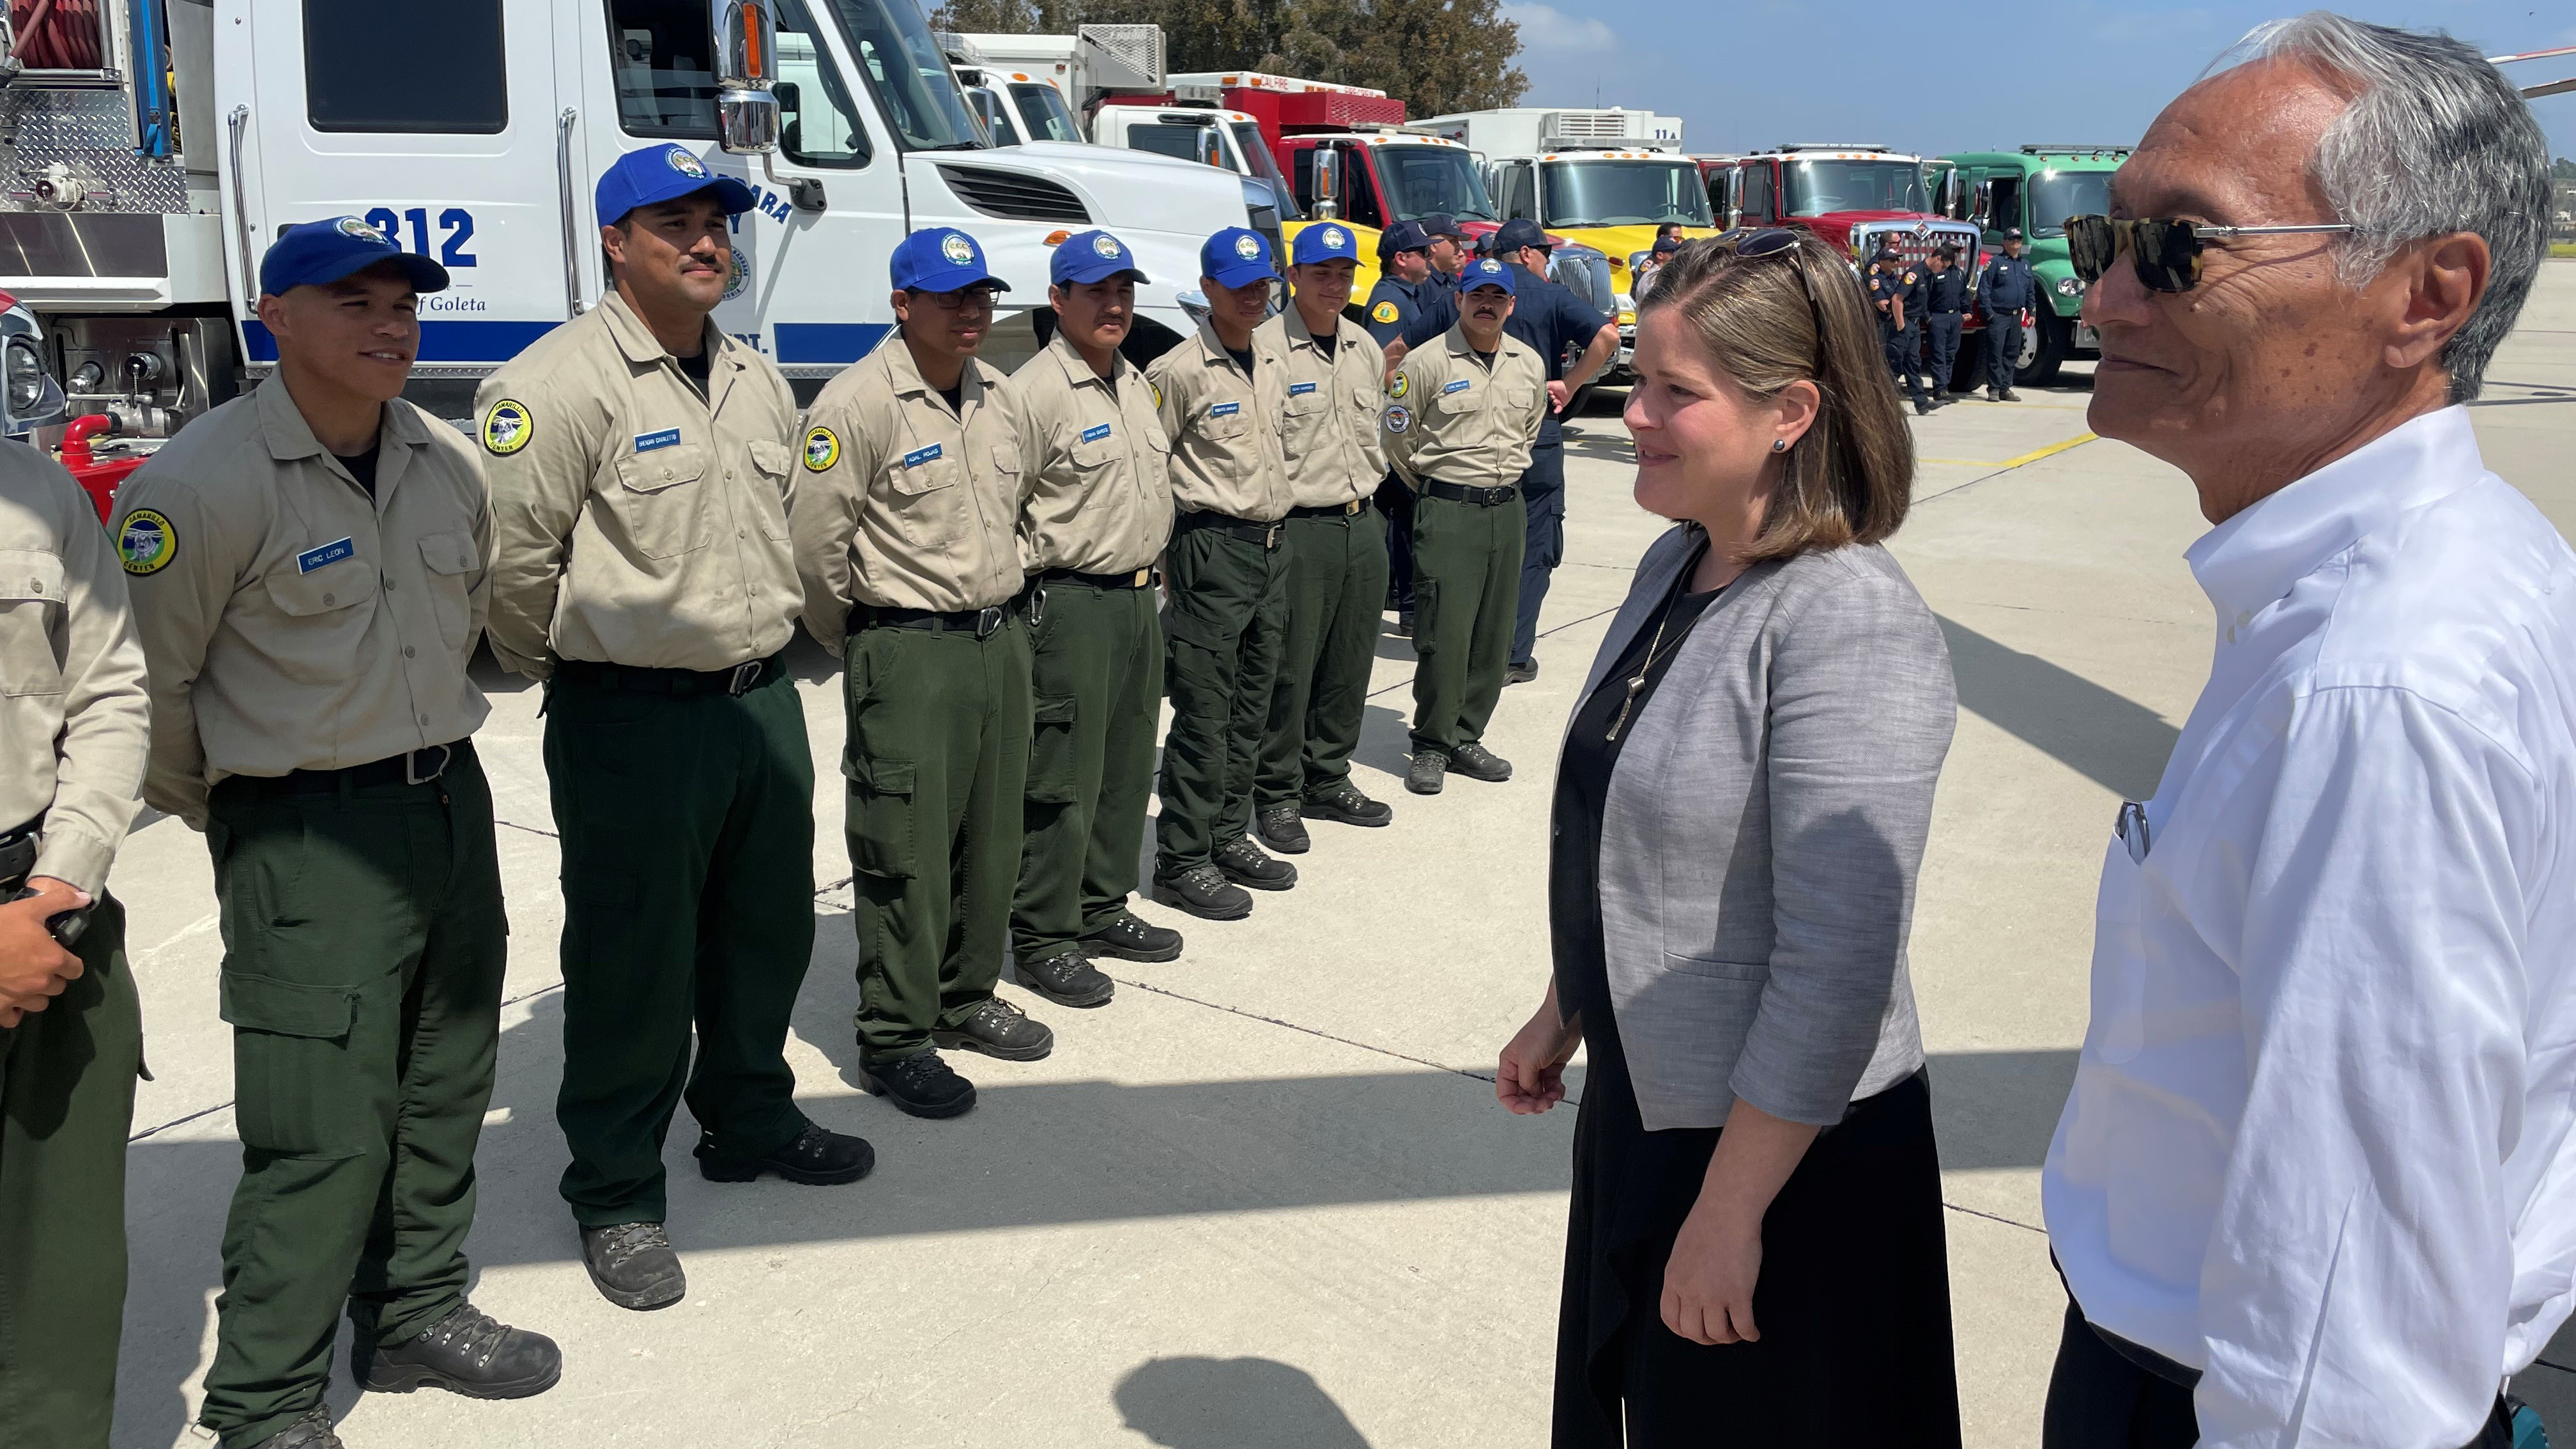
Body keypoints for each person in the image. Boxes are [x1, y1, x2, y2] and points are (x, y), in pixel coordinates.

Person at [2039, 19, 2563, 1449]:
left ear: (2425, 295)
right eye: (2107, 236)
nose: (2105, 301)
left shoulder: (2377, 689)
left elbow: (2353, 1340)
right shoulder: (2463, 568)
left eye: (2180, 249)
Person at [1495, 226, 1961, 1449]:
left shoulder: (1844, 619)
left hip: (1780, 1160)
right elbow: (1634, 839)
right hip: (1653, 1105)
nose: (1631, 411)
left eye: (1671, 391)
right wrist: (1569, 1005)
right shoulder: (1677, 560)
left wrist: (1727, 1210)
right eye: (1635, 378)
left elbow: (1835, 962)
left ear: (1791, 411)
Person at [119, 218, 558, 1449]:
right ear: (274, 315)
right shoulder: (200, 487)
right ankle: (265, 1398)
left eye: (403, 302)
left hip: (445, 800)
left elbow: (474, 611)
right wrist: (251, 816)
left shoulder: (448, 461)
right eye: (352, 300)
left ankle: (414, 1307)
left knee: (444, 1079)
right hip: (305, 829)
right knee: (317, 1124)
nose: (389, 324)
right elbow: (149, 690)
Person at [476, 145, 870, 1314]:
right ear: (615, 241)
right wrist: (592, 680)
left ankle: (745, 1115)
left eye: (718, 220)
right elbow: (511, 574)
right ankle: (614, 1189)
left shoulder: (755, 376)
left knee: (764, 932)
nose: (707, 241)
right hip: (632, 720)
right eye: (674, 222)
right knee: (632, 962)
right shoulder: (550, 387)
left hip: (758, 703)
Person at [791, 227, 1053, 1123]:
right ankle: (896, 1035)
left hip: (999, 638)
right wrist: (873, 646)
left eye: (981, 296)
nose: (972, 312)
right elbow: (815, 552)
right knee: (905, 848)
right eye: (950, 298)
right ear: (904, 305)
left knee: (991, 835)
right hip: (909, 650)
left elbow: (1016, 512)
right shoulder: (857, 404)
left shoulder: (999, 396)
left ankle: (965, 994)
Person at [0, 420, 148, 1448]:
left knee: (64, 1272)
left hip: (53, 919)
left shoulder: (38, 491)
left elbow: (108, 691)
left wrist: (57, 884)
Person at [1011, 231, 1181, 973]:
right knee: (1062, 780)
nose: (1115, 306)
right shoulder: (1032, 394)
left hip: (1139, 601)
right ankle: (1046, 932)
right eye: (1097, 292)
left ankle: (1102, 907)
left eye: (1124, 291)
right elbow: (1000, 511)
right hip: (1072, 604)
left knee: (1122, 768)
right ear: (1058, 300)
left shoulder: (1134, 381)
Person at [1145, 227, 1296, 920]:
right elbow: (1151, 471)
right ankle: (1182, 858)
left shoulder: (1270, 355)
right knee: (1205, 712)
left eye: (1262, 282)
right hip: (1211, 549)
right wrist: (1168, 563)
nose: (1253, 294)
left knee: (1251, 704)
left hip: (1271, 547)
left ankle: (1230, 833)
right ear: (1207, 289)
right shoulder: (1177, 373)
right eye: (1238, 284)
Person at [1395, 217, 1618, 686]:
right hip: (1536, 444)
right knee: (1534, 550)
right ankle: (1513, 655)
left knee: (1466, 558)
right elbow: (1608, 338)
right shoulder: (1552, 295)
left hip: (1467, 452)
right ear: (1531, 253)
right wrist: (1570, 384)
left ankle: (1466, 651)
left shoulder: (1463, 293)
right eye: (1545, 255)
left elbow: (1399, 350)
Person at [1250, 222, 1397, 857]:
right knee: (1291, 667)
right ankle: (1278, 790)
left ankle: (1328, 775)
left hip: (1362, 520)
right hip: (1300, 526)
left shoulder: (1364, 346)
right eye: (1322, 273)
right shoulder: (1263, 350)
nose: (1335, 285)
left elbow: (1382, 429)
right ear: (1293, 278)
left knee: (1350, 660)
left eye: (1344, 273)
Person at [1381, 257, 1546, 796]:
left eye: (1498, 297)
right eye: (1478, 295)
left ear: (1511, 305)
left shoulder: (1529, 363)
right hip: (1448, 509)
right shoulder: (1426, 362)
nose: (1487, 305)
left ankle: (1467, 735)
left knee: (1494, 636)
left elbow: (1529, 430)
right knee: (1444, 633)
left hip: (1507, 509)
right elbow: (1398, 443)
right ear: (1459, 299)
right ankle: (1430, 742)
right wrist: (1439, 492)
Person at [1364, 220, 1441, 638]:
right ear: (1401, 259)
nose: (1429, 260)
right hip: (1394, 425)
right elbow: (1382, 362)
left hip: (1405, 422)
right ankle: (1406, 605)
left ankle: (1405, 602)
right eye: (1423, 253)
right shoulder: (1389, 303)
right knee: (1402, 514)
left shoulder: (1411, 295)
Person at [1867, 240, 1934, 415]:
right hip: (1889, 326)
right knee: (1892, 365)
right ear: (1881, 262)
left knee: (1912, 363)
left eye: (1897, 260)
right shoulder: (1876, 280)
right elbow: (1882, 304)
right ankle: (1881, 404)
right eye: (1892, 260)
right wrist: (1898, 309)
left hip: (1905, 324)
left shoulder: (1895, 279)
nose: (1896, 263)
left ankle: (1921, 403)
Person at [1975, 226, 2034, 401]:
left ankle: (2005, 388)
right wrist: (1989, 314)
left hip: (2016, 316)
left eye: (2019, 239)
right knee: (1996, 353)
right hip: (1998, 315)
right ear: (2005, 242)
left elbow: (2030, 291)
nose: (2016, 242)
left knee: (2012, 353)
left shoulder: (2025, 265)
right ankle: (1993, 388)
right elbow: (1983, 290)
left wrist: (2032, 312)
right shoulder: (1995, 263)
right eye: (2012, 239)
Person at [1919, 243, 1969, 399]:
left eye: (1958, 252)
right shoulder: (1935, 272)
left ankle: (1945, 386)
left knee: (1950, 354)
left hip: (1955, 318)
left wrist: (1967, 312)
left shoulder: (1959, 274)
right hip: (1938, 317)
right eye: (1953, 252)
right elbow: (1924, 295)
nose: (1956, 255)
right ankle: (1939, 388)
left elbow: (1964, 294)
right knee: (1938, 354)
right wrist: (1928, 317)